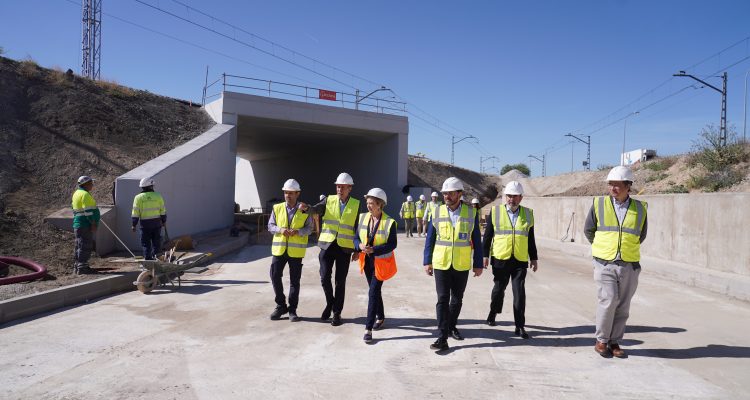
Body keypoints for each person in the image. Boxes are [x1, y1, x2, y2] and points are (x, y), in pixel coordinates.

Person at [584, 165, 648, 359]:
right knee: (608, 299)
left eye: (618, 185)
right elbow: (589, 230)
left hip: (629, 263)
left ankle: (614, 341)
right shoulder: (599, 204)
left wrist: (625, 249)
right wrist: (602, 249)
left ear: (628, 186)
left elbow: (641, 234)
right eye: (611, 184)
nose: (613, 188)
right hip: (604, 262)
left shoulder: (640, 208)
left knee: (623, 304)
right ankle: (602, 339)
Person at [423, 177, 483, 351]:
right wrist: (427, 260)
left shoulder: (471, 213)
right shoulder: (437, 212)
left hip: (461, 263)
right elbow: (430, 239)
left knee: (457, 300)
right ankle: (442, 337)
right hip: (441, 262)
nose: (446, 196)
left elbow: (476, 241)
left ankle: (451, 326)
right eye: (444, 193)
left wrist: (478, 263)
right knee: (442, 299)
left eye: (450, 193)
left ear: (459, 194)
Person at [302, 172, 361, 326]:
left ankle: (336, 312)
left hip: (345, 248)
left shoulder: (356, 204)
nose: (339, 189)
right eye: (338, 186)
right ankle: (330, 303)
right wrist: (306, 208)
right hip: (327, 245)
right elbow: (316, 209)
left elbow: (357, 228)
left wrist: (357, 250)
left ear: (350, 188)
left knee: (340, 282)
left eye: (342, 187)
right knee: (324, 277)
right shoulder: (328, 200)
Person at [482, 181, 538, 339]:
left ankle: (519, 326)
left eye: (514, 196)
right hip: (501, 258)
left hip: (519, 259)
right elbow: (487, 236)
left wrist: (533, 258)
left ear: (521, 197)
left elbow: (530, 238)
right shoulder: (496, 212)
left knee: (519, 293)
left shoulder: (528, 214)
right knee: (499, 290)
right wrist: (484, 256)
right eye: (508, 196)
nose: (511, 199)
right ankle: (493, 312)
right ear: (505, 197)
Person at [354, 188, 397, 344]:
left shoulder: (389, 222)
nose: (368, 206)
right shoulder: (362, 218)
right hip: (367, 262)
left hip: (380, 263)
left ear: (380, 205)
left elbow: (393, 244)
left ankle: (368, 329)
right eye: (367, 202)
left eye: (371, 203)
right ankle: (381, 316)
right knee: (375, 291)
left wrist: (375, 249)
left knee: (372, 292)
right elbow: (356, 237)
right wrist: (358, 246)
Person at [267, 179, 313, 322]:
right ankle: (281, 305)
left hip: (295, 252)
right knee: (275, 276)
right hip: (279, 249)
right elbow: (270, 226)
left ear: (297, 194)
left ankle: (292, 310)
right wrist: (281, 230)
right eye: (286, 193)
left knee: (294, 281)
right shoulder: (277, 208)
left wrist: (298, 232)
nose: (288, 195)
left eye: (291, 193)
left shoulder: (305, 209)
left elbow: (310, 228)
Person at [131, 177, 167, 260]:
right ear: (151, 186)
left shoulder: (138, 197)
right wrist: (164, 221)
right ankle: (157, 257)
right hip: (157, 223)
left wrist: (134, 224)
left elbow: (135, 212)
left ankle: (148, 259)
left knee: (146, 243)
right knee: (156, 242)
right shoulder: (158, 196)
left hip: (145, 225)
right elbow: (163, 210)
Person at [71, 175, 100, 274]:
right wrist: (93, 222)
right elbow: (88, 211)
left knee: (79, 245)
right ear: (86, 184)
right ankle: (82, 267)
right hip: (85, 224)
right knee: (85, 245)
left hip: (79, 223)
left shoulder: (76, 193)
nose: (92, 185)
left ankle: (78, 265)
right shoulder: (85, 195)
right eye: (91, 183)